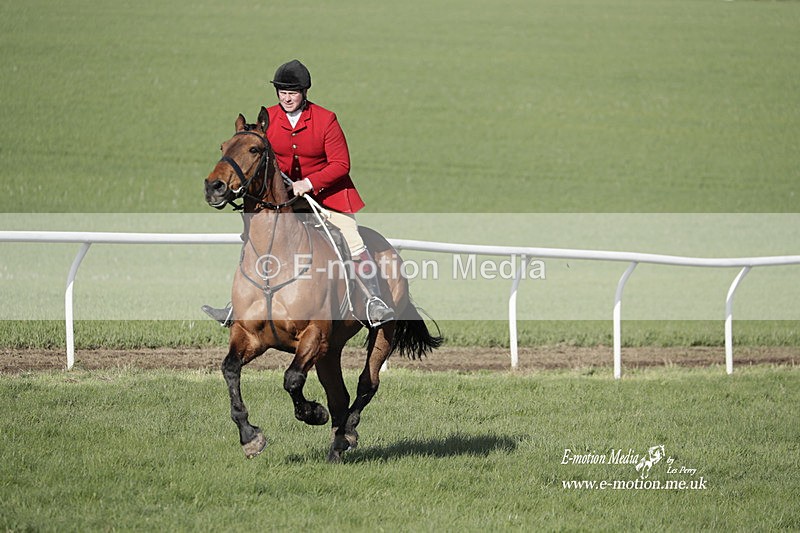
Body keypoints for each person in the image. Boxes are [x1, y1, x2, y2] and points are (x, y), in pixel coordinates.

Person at [203, 59, 394, 327]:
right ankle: (236, 305)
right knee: (257, 239)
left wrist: (309, 183)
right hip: (285, 199)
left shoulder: (326, 119)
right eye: (282, 92)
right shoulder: (268, 119)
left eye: (292, 93)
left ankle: (374, 300)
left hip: (327, 198)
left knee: (352, 237)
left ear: (304, 92)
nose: (286, 98)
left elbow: (341, 164)